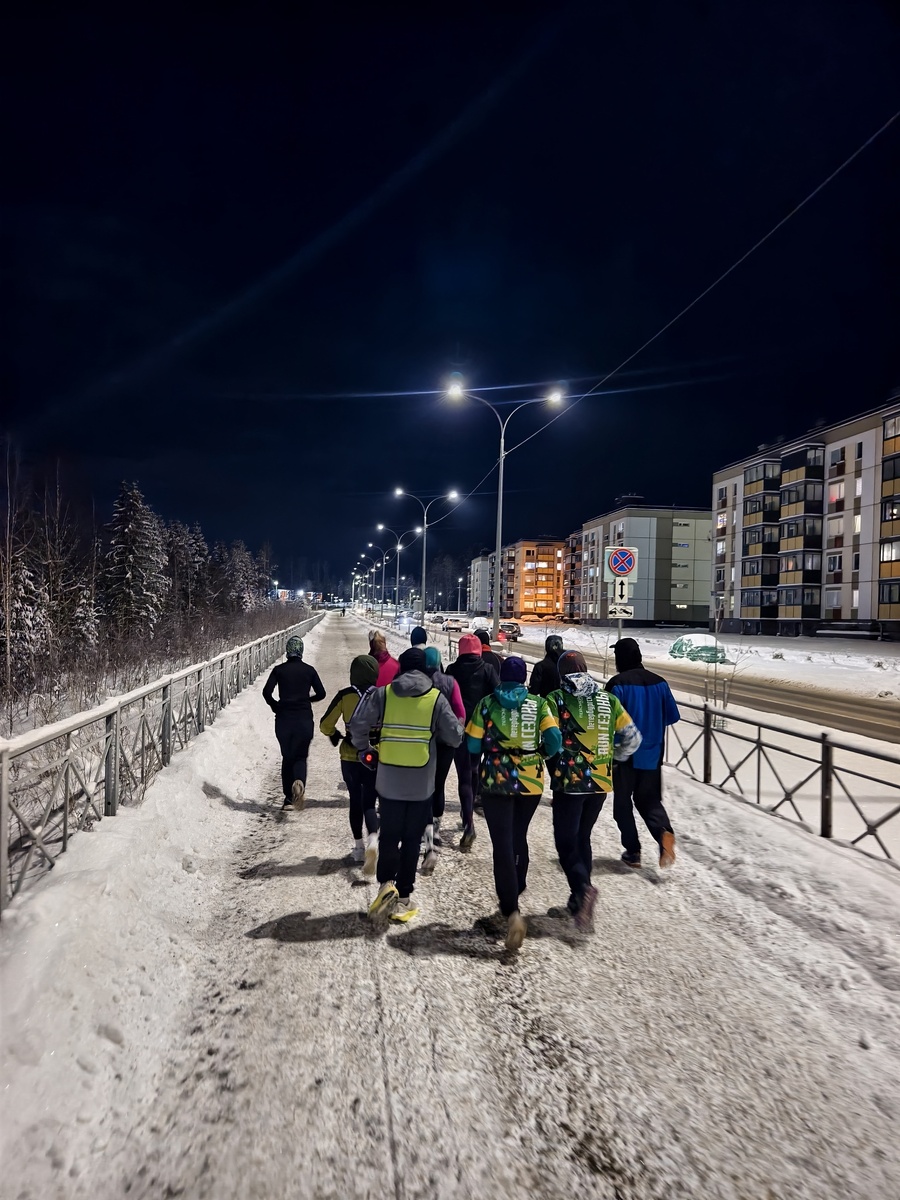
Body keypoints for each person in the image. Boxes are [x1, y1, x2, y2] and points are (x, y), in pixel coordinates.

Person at [350, 646, 463, 923]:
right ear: (426, 669)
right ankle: (402, 897)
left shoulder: (384, 694)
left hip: (388, 781)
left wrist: (366, 751)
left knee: (389, 834)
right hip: (422, 783)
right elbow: (455, 737)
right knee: (412, 839)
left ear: (400, 668)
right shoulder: (436, 699)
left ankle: (386, 883)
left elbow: (357, 726)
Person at [466, 656, 561, 951]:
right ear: (523, 679)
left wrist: (492, 748)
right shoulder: (539, 704)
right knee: (519, 835)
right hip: (531, 780)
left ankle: (511, 910)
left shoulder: (486, 704)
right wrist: (539, 753)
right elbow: (555, 739)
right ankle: (518, 884)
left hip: (496, 780)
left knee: (502, 845)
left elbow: (471, 743)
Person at [546, 650, 642, 927]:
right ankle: (578, 905)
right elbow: (633, 739)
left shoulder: (556, 700)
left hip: (569, 781)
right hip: (600, 782)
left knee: (566, 842)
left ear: (561, 674)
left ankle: (583, 890)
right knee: (582, 837)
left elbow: (547, 736)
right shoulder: (608, 700)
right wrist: (613, 755)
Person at [605, 637, 680, 868]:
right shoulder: (660, 682)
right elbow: (672, 716)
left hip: (624, 756)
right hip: (652, 754)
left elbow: (607, 720)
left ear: (620, 658)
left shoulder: (617, 684)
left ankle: (633, 851)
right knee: (649, 800)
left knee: (622, 804)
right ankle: (663, 832)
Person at [319, 654, 380, 872]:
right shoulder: (383, 696)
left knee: (355, 799)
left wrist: (335, 734)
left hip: (350, 756)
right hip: (375, 755)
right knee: (370, 801)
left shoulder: (345, 696)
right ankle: (374, 840)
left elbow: (325, 724)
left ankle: (358, 847)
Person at [445, 633, 499, 848]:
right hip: (482, 730)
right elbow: (498, 695)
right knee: (475, 770)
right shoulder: (488, 670)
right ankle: (468, 811)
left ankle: (468, 821)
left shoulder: (451, 671)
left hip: (459, 731)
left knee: (464, 777)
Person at [262, 635, 326, 810]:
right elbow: (321, 693)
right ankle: (299, 781)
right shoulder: (310, 670)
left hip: (284, 720)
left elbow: (266, 692)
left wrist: (276, 706)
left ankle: (289, 799)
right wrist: (306, 700)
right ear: (301, 651)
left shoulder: (278, 670)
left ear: (287, 651)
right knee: (300, 756)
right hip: (304, 720)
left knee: (287, 757)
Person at [419, 645, 466, 871]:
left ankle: (426, 831)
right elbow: (460, 713)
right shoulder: (450, 682)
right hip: (446, 743)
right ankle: (435, 829)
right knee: (439, 786)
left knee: (423, 788)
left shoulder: (417, 682)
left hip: (422, 742)